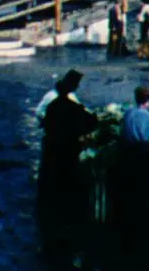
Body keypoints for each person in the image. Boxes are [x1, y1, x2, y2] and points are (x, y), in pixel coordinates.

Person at [37, 75, 98, 251]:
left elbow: (44, 122)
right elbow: (91, 123)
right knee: (68, 184)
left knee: (51, 181)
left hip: (51, 151)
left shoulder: (53, 106)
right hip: (68, 152)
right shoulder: (74, 108)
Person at [118, 86, 149, 233]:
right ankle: (144, 223)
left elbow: (122, 134)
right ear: (148, 100)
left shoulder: (128, 114)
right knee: (145, 188)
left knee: (130, 187)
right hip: (145, 155)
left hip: (129, 154)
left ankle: (129, 221)